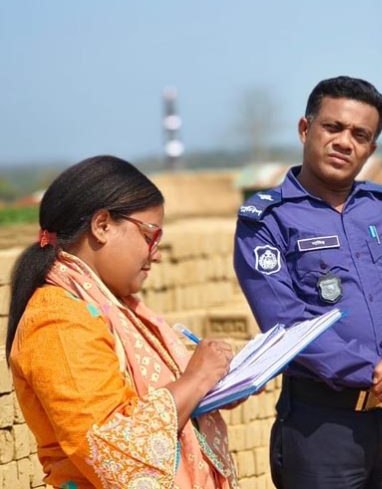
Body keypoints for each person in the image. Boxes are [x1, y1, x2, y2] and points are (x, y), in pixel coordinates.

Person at [233, 76, 382, 489]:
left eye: (360, 135)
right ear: (305, 128)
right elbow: (288, 323)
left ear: (371, 149)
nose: (345, 142)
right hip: (323, 429)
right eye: (333, 127)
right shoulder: (267, 220)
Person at [6, 155, 239, 489]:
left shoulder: (112, 308)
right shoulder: (58, 321)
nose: (156, 253)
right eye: (150, 236)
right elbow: (110, 445)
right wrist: (197, 378)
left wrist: (216, 385)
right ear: (102, 225)